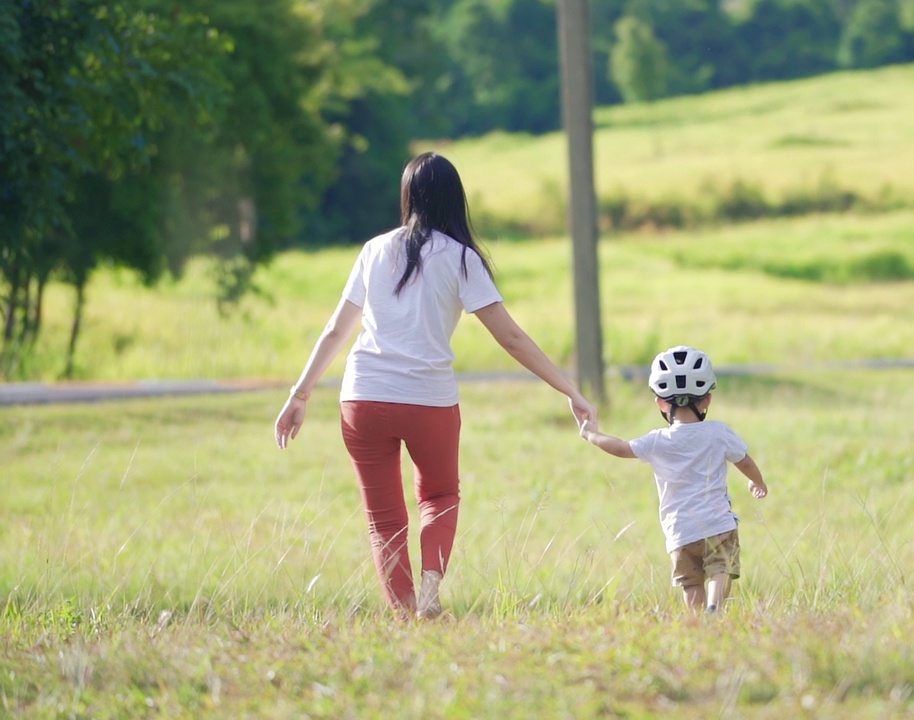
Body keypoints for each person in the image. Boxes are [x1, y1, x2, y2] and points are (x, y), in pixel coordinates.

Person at [274, 152, 596, 620]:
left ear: (407, 197)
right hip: (429, 402)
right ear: (454, 199)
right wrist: (571, 390)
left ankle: (405, 613)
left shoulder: (374, 249)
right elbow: (510, 337)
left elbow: (336, 331)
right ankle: (428, 593)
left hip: (363, 399)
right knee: (440, 495)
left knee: (383, 519)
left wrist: (298, 395)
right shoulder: (462, 259)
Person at [579, 346, 767, 614]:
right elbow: (744, 461)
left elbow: (620, 447)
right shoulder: (718, 432)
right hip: (717, 524)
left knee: (691, 583)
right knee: (720, 568)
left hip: (680, 531)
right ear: (707, 401)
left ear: (660, 403)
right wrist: (757, 482)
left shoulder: (657, 441)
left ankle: (696, 621)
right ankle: (715, 608)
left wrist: (591, 434)